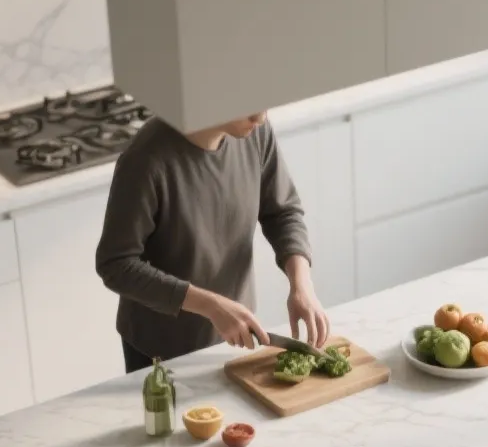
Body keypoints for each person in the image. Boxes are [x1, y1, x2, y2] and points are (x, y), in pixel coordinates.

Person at [96, 110, 331, 373]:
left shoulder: (255, 133)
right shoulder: (146, 158)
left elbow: (283, 212)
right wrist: (211, 305)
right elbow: (116, 264)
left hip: (235, 340)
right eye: (248, 104)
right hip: (159, 352)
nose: (260, 118)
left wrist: (302, 284)